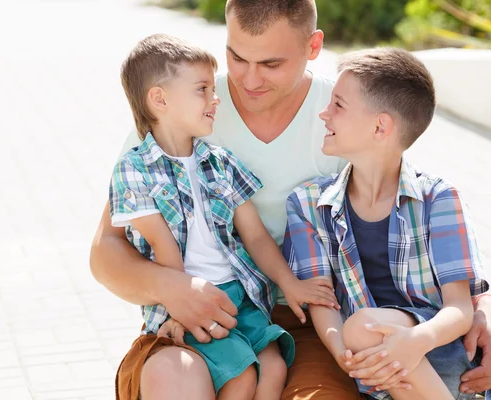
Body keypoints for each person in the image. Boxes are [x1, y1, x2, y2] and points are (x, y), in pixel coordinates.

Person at [90, 0, 491, 398]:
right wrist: (170, 287)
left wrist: (484, 310)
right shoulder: (182, 108)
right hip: (198, 313)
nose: (248, 80)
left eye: (270, 64)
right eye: (237, 56)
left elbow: (418, 213)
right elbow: (106, 250)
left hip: (311, 320)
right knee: (175, 378)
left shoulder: (344, 112)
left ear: (313, 47)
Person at [109, 32, 344, 399]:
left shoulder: (219, 162)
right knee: (242, 378)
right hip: (193, 300)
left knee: (273, 366)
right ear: (160, 99)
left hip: (243, 294)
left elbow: (254, 235)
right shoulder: (135, 169)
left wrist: (290, 284)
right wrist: (176, 303)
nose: (215, 97)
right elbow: (162, 245)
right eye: (202, 89)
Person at [283, 47, 489, 400]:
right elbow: (322, 301)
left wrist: (414, 341)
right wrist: (342, 354)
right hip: (368, 363)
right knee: (361, 328)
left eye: (338, 105)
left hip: (439, 350)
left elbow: (459, 307)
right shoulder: (306, 204)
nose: (323, 113)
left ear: (380, 126)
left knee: (364, 325)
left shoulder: (438, 198)